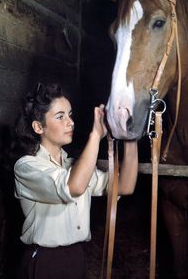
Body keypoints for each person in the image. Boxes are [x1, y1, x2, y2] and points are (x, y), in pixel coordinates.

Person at [14, 82, 138, 279]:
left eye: (70, 115)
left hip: (77, 257)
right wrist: (95, 136)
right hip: (45, 261)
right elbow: (74, 186)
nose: (70, 122)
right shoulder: (27, 167)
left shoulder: (75, 166)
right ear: (38, 127)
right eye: (60, 116)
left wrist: (130, 135)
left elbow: (124, 186)